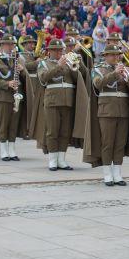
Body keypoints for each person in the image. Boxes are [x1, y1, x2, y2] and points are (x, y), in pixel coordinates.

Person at [32, 39, 92, 171]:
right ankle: (53, 160)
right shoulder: (44, 63)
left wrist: (79, 64)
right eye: (56, 50)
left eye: (61, 50)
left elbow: (80, 77)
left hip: (68, 100)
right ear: (50, 51)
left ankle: (62, 159)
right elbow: (43, 78)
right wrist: (59, 66)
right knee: (53, 131)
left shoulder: (68, 62)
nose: (59, 52)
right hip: (52, 100)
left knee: (65, 132)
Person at [88, 45, 129, 186]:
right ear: (105, 56)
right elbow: (98, 84)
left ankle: (117, 173)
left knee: (119, 143)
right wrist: (114, 74)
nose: (116, 57)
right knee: (108, 143)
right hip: (107, 110)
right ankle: (107, 174)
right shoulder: (97, 69)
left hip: (123, 110)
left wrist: (128, 77)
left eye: (118, 55)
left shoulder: (125, 69)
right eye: (112, 55)